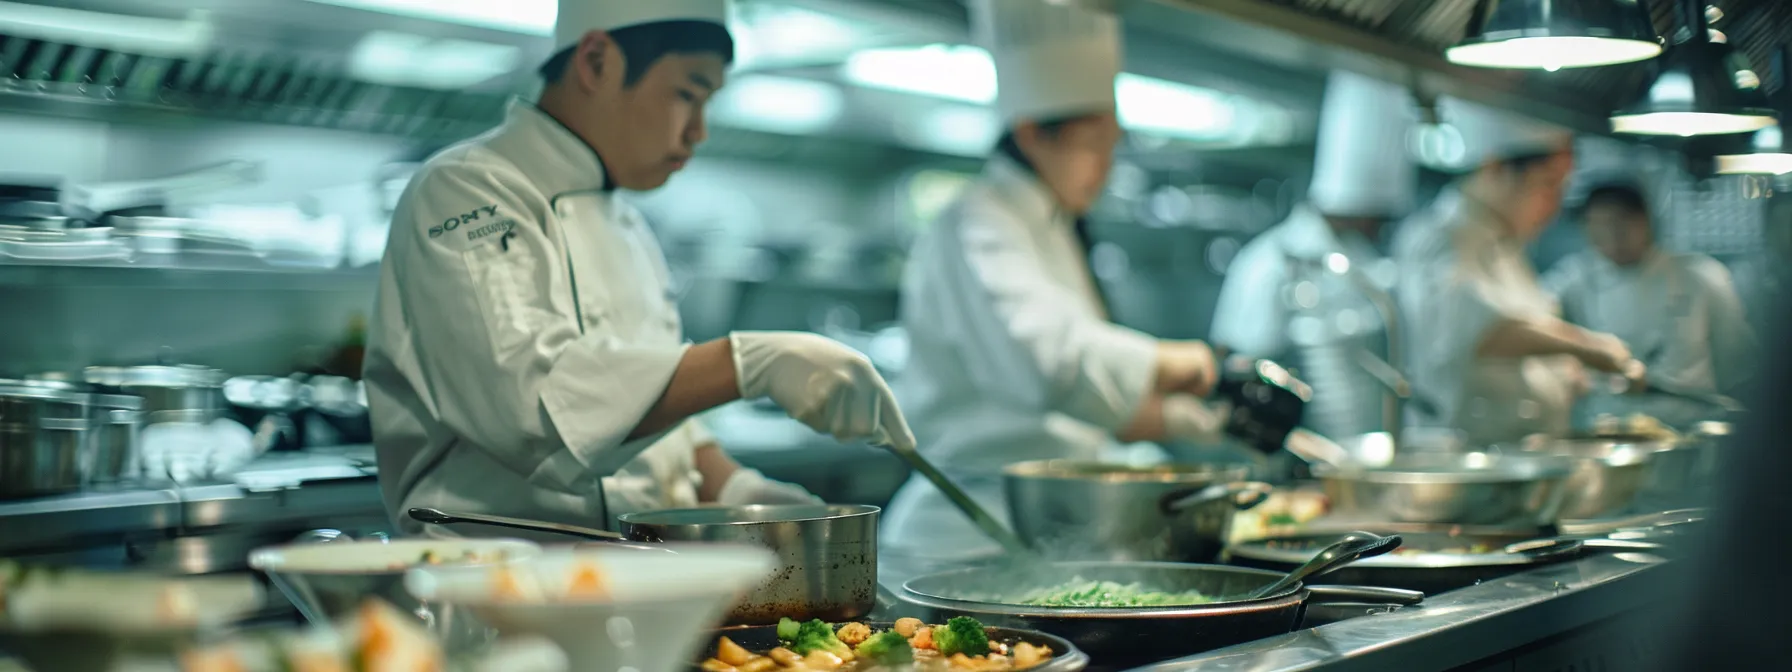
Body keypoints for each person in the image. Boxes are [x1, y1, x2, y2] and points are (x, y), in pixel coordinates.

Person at [363, 0, 915, 538]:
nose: (699, 130)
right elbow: (536, 408)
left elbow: (652, 410)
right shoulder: (466, 190)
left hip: (631, 591)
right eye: (686, 93)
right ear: (598, 62)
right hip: (491, 600)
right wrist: (747, 363)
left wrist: (734, 489)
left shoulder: (629, 225)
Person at [884, 0, 1228, 562]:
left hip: (1046, 522)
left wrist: (1170, 418)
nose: (1105, 166)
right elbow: (1047, 362)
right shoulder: (979, 223)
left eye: (1113, 147)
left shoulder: (1051, 222)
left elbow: (1066, 401)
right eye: (1093, 145)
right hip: (967, 530)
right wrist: (1179, 362)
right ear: (1033, 133)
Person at [1392, 100, 1636, 446]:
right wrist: (1589, 347)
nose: (1553, 207)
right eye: (1548, 185)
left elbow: (1522, 339)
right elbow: (1479, 330)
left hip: (1520, 454)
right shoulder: (1438, 238)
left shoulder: (1505, 246)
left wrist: (1563, 373)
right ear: (1495, 170)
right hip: (1463, 458)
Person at [1211, 69, 1417, 440]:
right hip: (1299, 464)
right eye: (1378, 214)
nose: (1381, 226)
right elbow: (1235, 365)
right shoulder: (1268, 262)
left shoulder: (1366, 261)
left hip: (1371, 452)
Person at [1542, 180, 1758, 428]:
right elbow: (1534, 320)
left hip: (1689, 424)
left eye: (1620, 223)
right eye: (1597, 225)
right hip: (1609, 430)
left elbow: (1736, 359)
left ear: (1645, 221)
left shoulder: (1701, 275)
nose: (1611, 235)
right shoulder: (1574, 278)